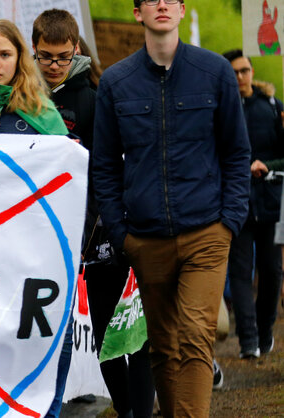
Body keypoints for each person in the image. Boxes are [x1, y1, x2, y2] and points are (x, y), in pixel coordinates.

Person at [92, 0, 251, 416]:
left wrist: (228, 223)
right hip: (144, 239)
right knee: (162, 347)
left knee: (195, 338)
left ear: (181, 10)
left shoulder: (215, 72)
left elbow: (237, 152)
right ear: (137, 12)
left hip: (206, 234)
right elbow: (104, 165)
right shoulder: (115, 82)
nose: (161, 4)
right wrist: (119, 232)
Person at [33, 9, 155, 418]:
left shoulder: (96, 97)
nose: (53, 66)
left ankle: (133, 410)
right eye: (45, 57)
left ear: (77, 51)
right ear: (32, 51)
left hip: (101, 233)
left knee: (117, 332)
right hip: (43, 235)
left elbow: (114, 164)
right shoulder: (24, 99)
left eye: (62, 57)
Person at [223, 49, 284, 359]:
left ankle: (264, 331)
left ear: (252, 70)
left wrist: (267, 165)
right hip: (237, 203)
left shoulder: (273, 107)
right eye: (234, 72)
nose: (240, 77)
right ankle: (247, 340)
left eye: (244, 70)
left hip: (272, 203)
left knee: (272, 271)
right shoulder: (221, 108)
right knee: (241, 271)